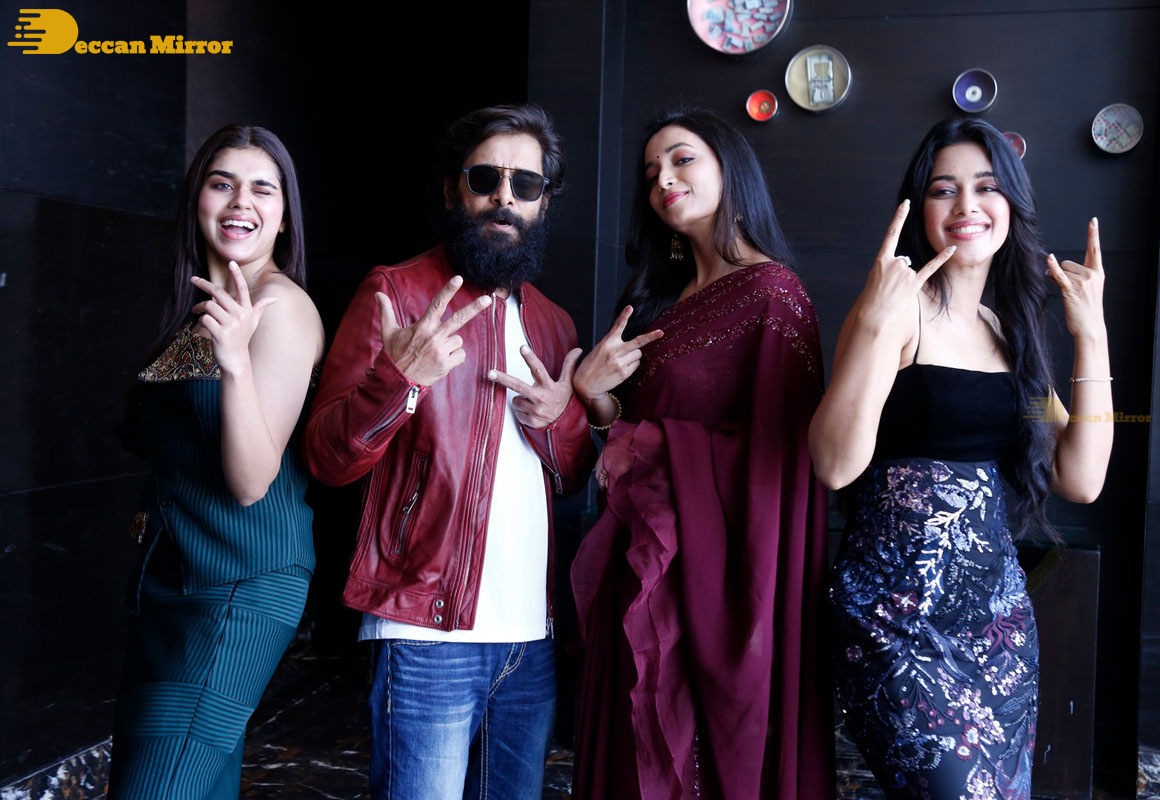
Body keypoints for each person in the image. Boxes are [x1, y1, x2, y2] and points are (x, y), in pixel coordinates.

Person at [810, 117, 1113, 799]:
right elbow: (832, 465)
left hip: (994, 627)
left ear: (1012, 203)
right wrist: (874, 325)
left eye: (986, 187)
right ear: (919, 209)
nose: (967, 205)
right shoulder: (896, 310)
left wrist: (1091, 334)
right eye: (944, 189)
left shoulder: (1005, 330)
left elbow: (1082, 477)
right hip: (894, 623)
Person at [304, 104, 594, 800]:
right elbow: (326, 457)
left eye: (526, 184)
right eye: (485, 178)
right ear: (452, 189)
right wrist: (399, 380)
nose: (504, 197)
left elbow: (573, 477)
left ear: (544, 202)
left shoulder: (554, 323)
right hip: (424, 630)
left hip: (530, 639)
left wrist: (560, 420)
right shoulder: (395, 293)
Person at [569, 109, 835, 800]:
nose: (663, 178)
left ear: (731, 170)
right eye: (651, 171)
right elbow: (631, 434)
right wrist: (594, 399)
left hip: (713, 585)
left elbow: (779, 463)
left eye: (682, 159)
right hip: (640, 568)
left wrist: (646, 440)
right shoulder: (661, 303)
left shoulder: (773, 294)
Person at [108, 124, 324, 799]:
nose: (241, 202)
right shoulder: (200, 306)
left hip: (239, 586)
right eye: (222, 183)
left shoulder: (282, 308)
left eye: (263, 188)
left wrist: (234, 363)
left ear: (284, 218)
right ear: (197, 199)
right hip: (172, 580)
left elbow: (253, 480)